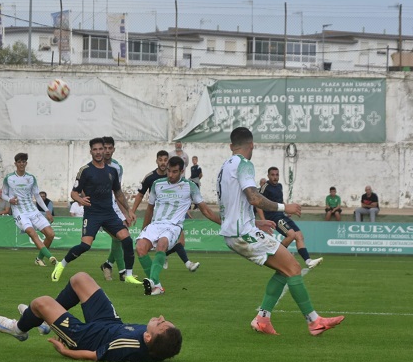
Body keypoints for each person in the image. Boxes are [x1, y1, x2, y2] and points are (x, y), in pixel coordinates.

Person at [218, 127, 344, 336]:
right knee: (294, 267)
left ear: (231, 146)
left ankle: (263, 319)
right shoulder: (244, 164)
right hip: (243, 233)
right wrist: (285, 207)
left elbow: (230, 205)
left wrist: (256, 223)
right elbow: (254, 198)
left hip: (237, 231)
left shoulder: (224, 168)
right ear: (252, 145)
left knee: (284, 268)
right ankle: (314, 321)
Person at [0, 272, 182, 362]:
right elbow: (164, 348)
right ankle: (42, 320)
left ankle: (19, 329)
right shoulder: (157, 341)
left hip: (83, 336)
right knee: (80, 278)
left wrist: (65, 352)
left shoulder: (128, 346)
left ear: (148, 338)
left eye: (161, 323)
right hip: (108, 323)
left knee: (41, 302)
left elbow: (94, 355)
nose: (160, 317)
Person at [52, 138, 137, 284]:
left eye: (101, 149)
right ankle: (61, 264)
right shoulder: (85, 171)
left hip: (109, 213)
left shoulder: (112, 171)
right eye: (95, 149)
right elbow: (74, 193)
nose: (98, 152)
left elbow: (118, 193)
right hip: (92, 214)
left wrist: (128, 210)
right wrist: (80, 200)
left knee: (127, 239)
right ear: (91, 151)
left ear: (105, 150)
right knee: (85, 245)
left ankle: (128, 275)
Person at [138, 156, 221, 296]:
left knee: (162, 244)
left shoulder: (190, 186)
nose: (170, 175)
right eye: (169, 171)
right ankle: (156, 285)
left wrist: (223, 224)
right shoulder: (157, 184)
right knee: (140, 247)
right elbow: (150, 208)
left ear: (182, 171)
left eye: (174, 172)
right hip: (156, 224)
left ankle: (152, 281)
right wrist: (144, 228)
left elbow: (205, 210)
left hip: (173, 226)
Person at [130, 150, 200, 272]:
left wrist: (186, 210)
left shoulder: (176, 178)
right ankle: (182, 262)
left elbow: (181, 197)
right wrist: (132, 211)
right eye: (160, 160)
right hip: (157, 218)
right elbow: (140, 195)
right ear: (156, 161)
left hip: (173, 219)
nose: (163, 163)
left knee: (181, 243)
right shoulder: (152, 178)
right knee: (145, 247)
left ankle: (164, 255)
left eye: (165, 160)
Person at [257, 167, 323, 270]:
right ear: (268, 176)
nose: (275, 177)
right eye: (273, 175)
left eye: (277, 175)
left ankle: (308, 261)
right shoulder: (265, 187)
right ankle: (276, 257)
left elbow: (280, 202)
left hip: (281, 215)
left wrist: (287, 210)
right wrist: (263, 220)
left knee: (299, 236)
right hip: (273, 217)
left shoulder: (279, 186)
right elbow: (258, 204)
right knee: (291, 235)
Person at [2, 153, 57, 267]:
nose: (21, 164)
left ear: (26, 163)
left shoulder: (31, 178)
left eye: (23, 162)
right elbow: (3, 194)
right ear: (15, 163)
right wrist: (10, 200)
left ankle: (39, 259)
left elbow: (37, 196)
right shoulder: (9, 178)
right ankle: (50, 257)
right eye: (19, 162)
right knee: (32, 232)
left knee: (50, 234)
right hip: (19, 211)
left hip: (32, 210)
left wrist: (47, 211)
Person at [98, 136, 129, 282]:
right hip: (100, 209)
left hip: (114, 207)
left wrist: (126, 212)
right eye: (105, 148)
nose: (107, 151)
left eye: (110, 148)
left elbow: (117, 191)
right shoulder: (92, 166)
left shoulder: (117, 167)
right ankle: (122, 272)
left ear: (114, 149)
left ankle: (108, 265)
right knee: (118, 236)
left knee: (121, 236)